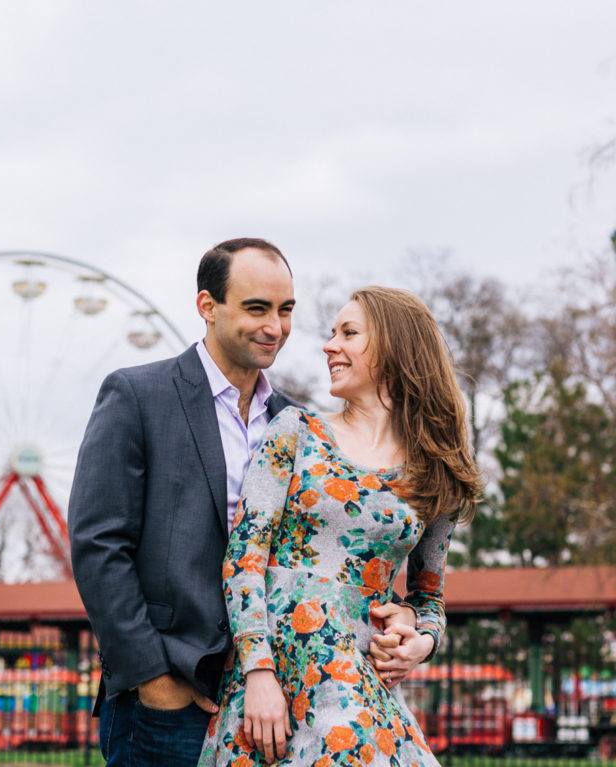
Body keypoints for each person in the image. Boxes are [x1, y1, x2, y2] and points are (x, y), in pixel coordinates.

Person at [68, 242, 416, 767]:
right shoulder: (139, 396)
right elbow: (97, 546)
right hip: (170, 701)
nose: (274, 326)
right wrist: (155, 678)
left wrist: (405, 619)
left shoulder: (301, 425)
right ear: (207, 306)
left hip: (280, 700)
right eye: (257, 308)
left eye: (286, 310)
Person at [198, 286, 482, 766]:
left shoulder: (436, 471)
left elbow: (428, 597)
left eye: (348, 333)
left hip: (357, 682)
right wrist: (258, 674)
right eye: (332, 334)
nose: (329, 346)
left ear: (395, 349)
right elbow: (244, 559)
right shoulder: (294, 431)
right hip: (275, 683)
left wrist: (422, 642)